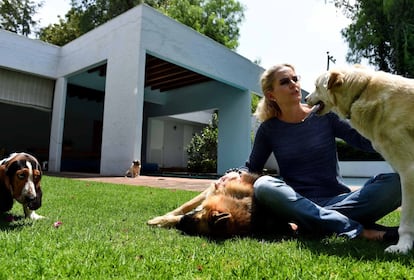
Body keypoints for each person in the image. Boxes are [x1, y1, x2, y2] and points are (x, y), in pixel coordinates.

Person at [244, 63, 401, 241]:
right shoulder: (268, 129)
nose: (293, 84)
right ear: (271, 95)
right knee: (263, 185)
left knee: (398, 182)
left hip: (340, 200)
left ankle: (310, 223)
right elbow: (252, 168)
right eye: (285, 81)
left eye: (295, 79)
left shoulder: (324, 115)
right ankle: (362, 231)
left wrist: (396, 134)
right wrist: (234, 174)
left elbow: (364, 141)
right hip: (297, 201)